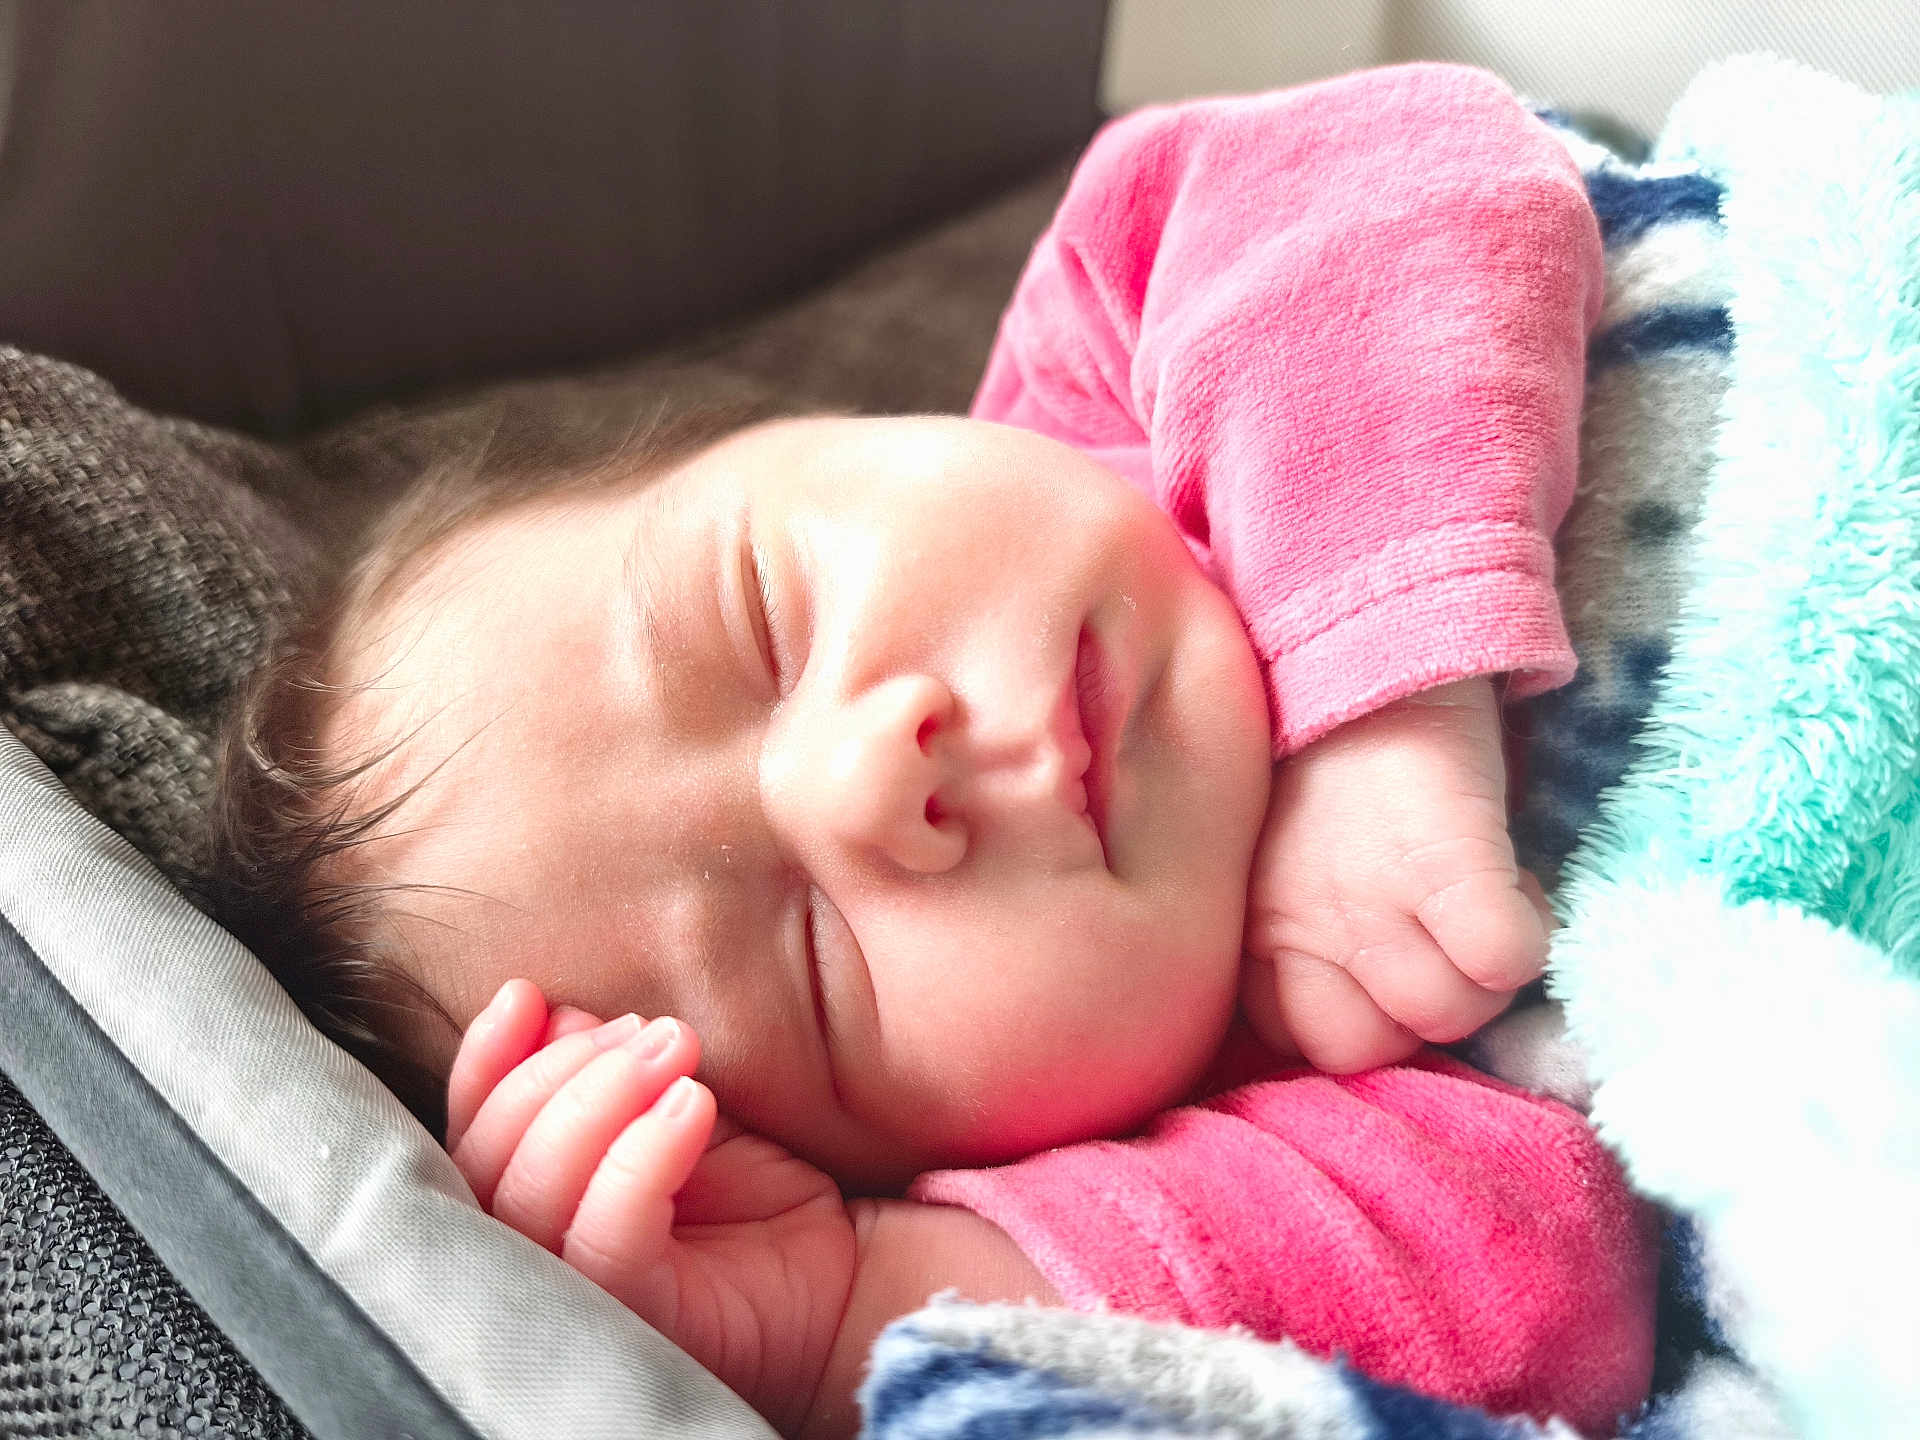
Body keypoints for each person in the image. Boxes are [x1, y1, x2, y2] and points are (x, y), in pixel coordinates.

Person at [209, 63, 1653, 1440]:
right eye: (815, 971)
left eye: (765, 623)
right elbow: (1556, 1288)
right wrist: (856, 1309)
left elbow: (1409, 160)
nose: (871, 784)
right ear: (921, 1165)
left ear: (822, 431)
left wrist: (1384, 698)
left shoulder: (1117, 345)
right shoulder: (1203, 1143)